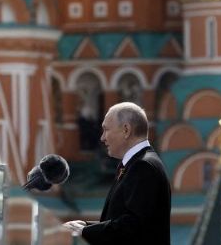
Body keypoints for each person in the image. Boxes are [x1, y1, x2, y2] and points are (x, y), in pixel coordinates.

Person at [63, 102, 172, 244]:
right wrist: (86, 226)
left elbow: (134, 226)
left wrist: (84, 231)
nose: (102, 138)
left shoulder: (143, 166)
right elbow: (121, 220)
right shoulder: (134, 164)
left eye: (106, 130)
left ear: (126, 130)